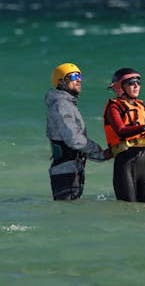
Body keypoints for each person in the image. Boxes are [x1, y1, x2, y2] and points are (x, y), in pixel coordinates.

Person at [45, 62, 112, 200]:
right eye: (74, 76)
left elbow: (76, 145)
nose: (78, 80)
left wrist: (102, 156)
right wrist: (96, 149)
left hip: (71, 170)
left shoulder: (68, 104)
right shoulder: (62, 104)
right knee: (67, 216)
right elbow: (73, 139)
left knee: (70, 215)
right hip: (65, 172)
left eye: (80, 77)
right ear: (61, 81)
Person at [103, 68, 145, 203]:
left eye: (138, 82)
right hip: (125, 162)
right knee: (128, 207)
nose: (136, 86)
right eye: (131, 83)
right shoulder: (114, 107)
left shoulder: (142, 107)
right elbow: (121, 130)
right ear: (119, 87)